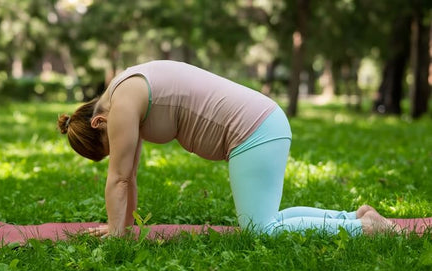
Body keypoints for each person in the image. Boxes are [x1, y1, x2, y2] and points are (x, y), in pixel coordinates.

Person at [57, 60, 397, 238]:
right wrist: (122, 226)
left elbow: (117, 177)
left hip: (254, 130)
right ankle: (354, 218)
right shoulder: (125, 89)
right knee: (268, 220)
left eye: (108, 146)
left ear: (99, 123)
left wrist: (116, 237)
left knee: (260, 230)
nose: (117, 148)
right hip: (262, 124)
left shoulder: (120, 104)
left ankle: (363, 230)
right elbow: (127, 176)